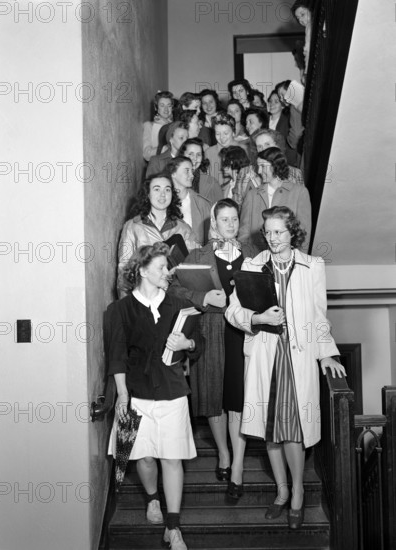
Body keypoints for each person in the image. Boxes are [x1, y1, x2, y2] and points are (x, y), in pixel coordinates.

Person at [225, 206, 346, 528]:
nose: (273, 238)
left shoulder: (312, 266)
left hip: (298, 356)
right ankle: (280, 491)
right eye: (268, 232)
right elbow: (232, 311)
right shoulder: (252, 265)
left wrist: (327, 355)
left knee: (293, 428)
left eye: (279, 231)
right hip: (266, 354)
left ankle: (298, 492)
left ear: (292, 232)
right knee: (270, 430)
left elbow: (320, 316)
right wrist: (257, 318)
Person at [108, 242, 203, 550]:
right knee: (145, 457)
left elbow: (197, 342)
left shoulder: (178, 304)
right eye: (162, 267)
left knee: (172, 459)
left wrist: (185, 344)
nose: (167, 272)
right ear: (143, 271)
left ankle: (173, 528)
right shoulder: (120, 310)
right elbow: (117, 356)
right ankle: (152, 498)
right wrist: (122, 395)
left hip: (174, 392)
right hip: (137, 395)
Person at [169, 199, 258, 500]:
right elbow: (174, 290)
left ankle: (237, 468)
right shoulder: (198, 255)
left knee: (238, 400)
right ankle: (223, 453)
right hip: (209, 330)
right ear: (214, 222)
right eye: (224, 219)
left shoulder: (253, 255)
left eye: (234, 219)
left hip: (242, 332)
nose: (230, 224)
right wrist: (204, 297)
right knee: (212, 398)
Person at [117, 173, 199, 298]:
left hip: (176, 298)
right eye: (156, 189)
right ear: (148, 194)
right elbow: (124, 269)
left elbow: (195, 267)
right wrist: (127, 307)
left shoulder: (183, 228)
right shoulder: (133, 227)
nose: (163, 194)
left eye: (167, 189)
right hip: (144, 298)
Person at [238, 147, 311, 251]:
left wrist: (299, 260)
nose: (259, 171)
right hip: (256, 257)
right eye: (258, 166)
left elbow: (304, 233)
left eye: (263, 166)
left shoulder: (300, 193)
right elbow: (243, 234)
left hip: (287, 259)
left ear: (276, 165)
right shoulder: (252, 195)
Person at [165, 157, 212, 246]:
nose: (192, 175)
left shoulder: (202, 204)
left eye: (192, 171)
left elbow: (211, 240)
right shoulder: (162, 203)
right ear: (173, 173)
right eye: (187, 171)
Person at [205, 112, 248, 187]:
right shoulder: (209, 152)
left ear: (233, 132)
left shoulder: (244, 150)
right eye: (218, 134)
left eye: (226, 133)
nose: (222, 137)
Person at [178, 138, 223, 204]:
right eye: (191, 154)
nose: (195, 158)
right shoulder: (172, 180)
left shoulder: (212, 183)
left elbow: (222, 209)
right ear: (182, 155)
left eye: (198, 155)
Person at [143, 91, 174, 162]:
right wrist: (166, 148)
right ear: (156, 107)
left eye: (169, 105)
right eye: (162, 105)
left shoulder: (175, 126)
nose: (166, 109)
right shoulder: (149, 126)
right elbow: (146, 154)